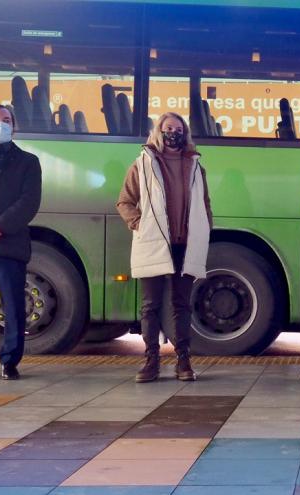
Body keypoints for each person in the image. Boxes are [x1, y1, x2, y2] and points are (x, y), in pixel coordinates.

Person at [117, 112, 212, 383]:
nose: (173, 133)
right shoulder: (142, 165)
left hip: (185, 244)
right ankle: (151, 362)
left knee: (181, 305)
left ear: (185, 133)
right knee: (150, 306)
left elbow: (204, 203)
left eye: (178, 129)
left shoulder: (195, 166)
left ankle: (183, 361)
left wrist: (205, 228)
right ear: (159, 131)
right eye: (168, 128)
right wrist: (139, 224)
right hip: (154, 242)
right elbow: (124, 201)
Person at [0, 105, 41, 380]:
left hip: (10, 244)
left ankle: (9, 362)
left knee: (13, 306)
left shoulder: (28, 162)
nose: (0, 124)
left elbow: (29, 202)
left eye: (6, 120)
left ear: (14, 126)